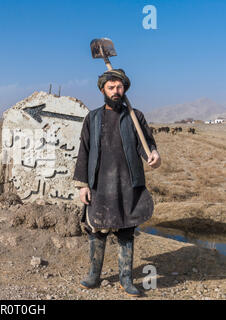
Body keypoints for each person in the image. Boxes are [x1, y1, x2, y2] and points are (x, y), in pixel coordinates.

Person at [73, 69, 161, 297]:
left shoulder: (135, 116)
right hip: (99, 183)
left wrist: (153, 154)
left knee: (126, 231)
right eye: (111, 87)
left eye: (119, 87)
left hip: (128, 183)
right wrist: (83, 184)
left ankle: (126, 279)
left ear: (125, 89)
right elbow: (84, 150)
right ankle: (93, 276)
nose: (116, 91)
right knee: (97, 230)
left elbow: (146, 144)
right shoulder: (93, 117)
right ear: (102, 89)